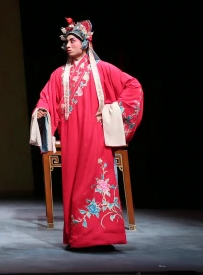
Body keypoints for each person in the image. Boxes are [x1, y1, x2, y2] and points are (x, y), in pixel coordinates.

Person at [30, 18, 144, 250]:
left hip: (96, 137)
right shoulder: (59, 75)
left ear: (86, 43)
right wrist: (42, 111)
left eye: (73, 41)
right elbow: (47, 99)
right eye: (67, 42)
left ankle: (103, 236)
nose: (68, 46)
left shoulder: (103, 70)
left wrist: (112, 111)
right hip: (73, 139)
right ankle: (79, 237)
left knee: (97, 181)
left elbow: (133, 87)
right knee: (75, 184)